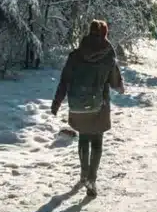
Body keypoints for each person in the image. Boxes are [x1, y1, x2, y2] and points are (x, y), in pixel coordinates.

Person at [51, 19, 125, 198]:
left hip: (78, 106)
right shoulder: (108, 56)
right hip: (99, 106)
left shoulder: (75, 55)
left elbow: (65, 80)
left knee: (83, 138)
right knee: (97, 141)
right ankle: (92, 178)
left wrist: (57, 103)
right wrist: (121, 87)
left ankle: (83, 175)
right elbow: (115, 82)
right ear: (105, 34)